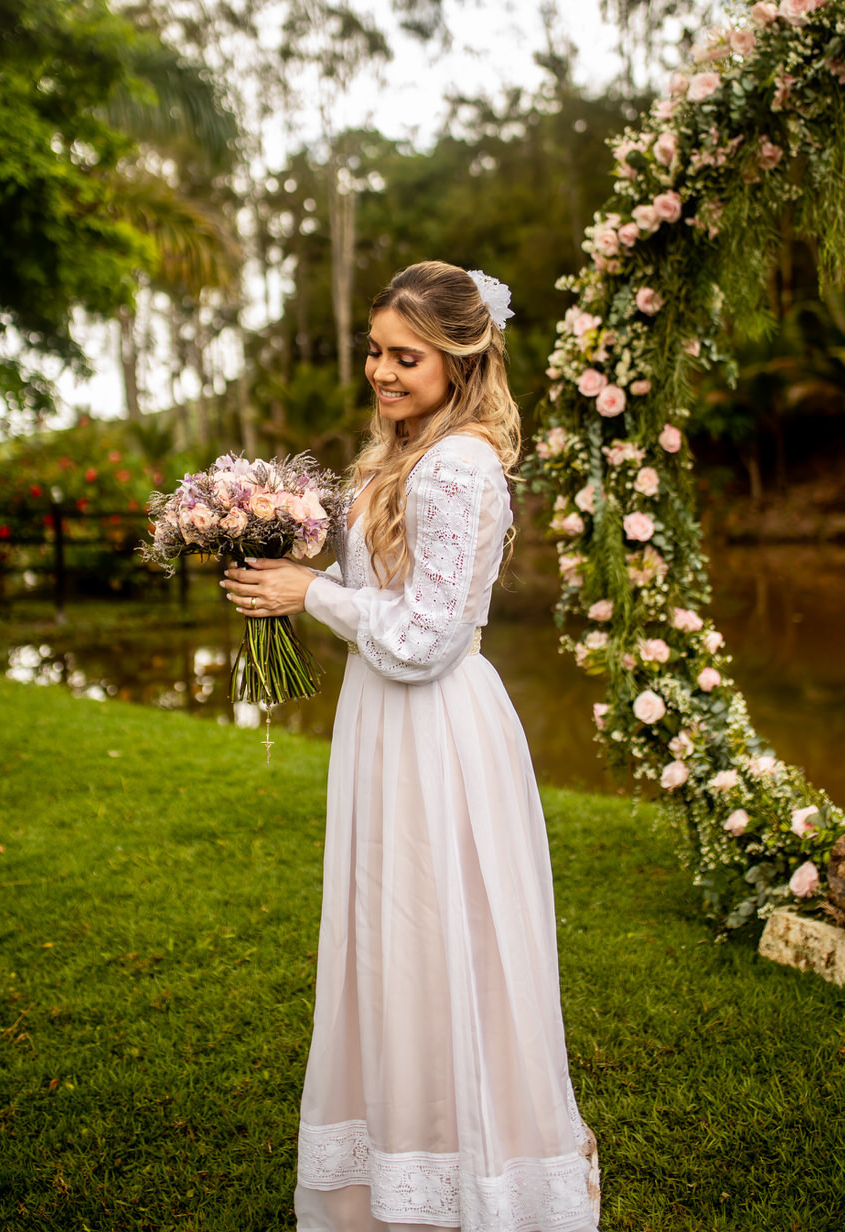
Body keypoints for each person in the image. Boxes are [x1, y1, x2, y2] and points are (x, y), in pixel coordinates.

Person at [223, 261, 600, 1232]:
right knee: (388, 942)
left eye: (405, 357)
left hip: (435, 728)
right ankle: (384, 1172)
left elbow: (429, 634)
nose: (380, 372)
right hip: (378, 720)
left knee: (447, 940)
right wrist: (285, 550)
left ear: (459, 359)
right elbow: (378, 595)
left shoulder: (460, 464)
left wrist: (310, 597)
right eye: (375, 352)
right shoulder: (394, 452)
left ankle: (474, 1171)